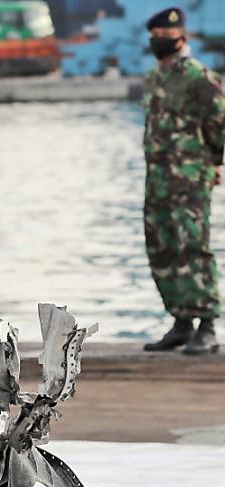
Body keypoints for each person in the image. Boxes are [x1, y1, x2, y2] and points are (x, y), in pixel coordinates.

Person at [141, 8, 225, 355]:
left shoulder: (198, 77)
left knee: (192, 247)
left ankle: (207, 325)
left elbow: (219, 121)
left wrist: (215, 162)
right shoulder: (154, 78)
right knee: (161, 247)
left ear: (182, 38)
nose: (160, 43)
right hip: (157, 179)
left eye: (165, 37)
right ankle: (180, 322)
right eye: (155, 37)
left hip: (190, 179)